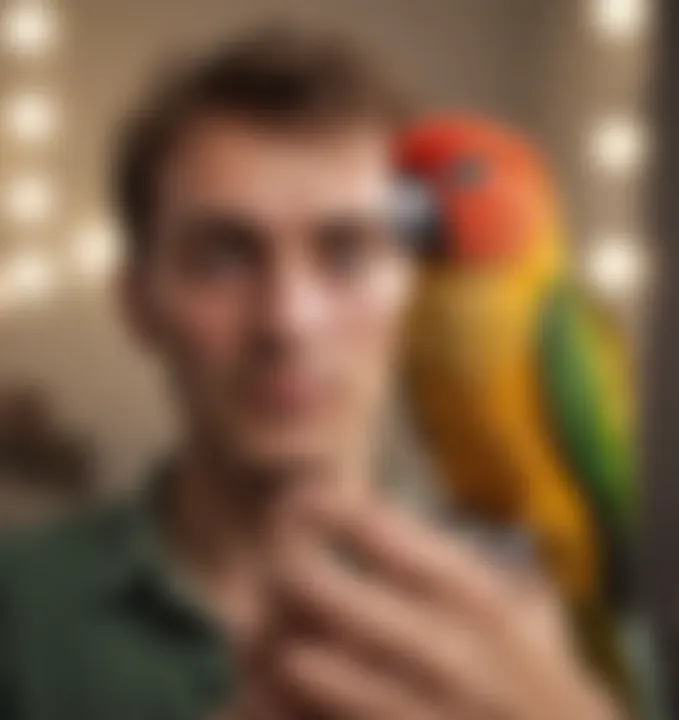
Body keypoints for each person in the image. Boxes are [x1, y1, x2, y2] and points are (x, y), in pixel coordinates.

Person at [0, 27, 623, 719]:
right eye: (223, 257)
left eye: (349, 253)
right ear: (139, 304)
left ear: (411, 294)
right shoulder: (16, 606)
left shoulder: (540, 618)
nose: (288, 323)